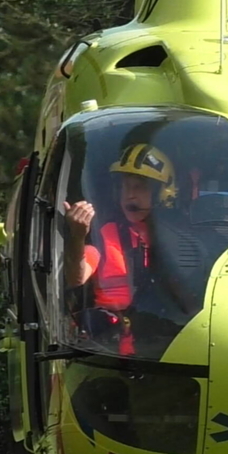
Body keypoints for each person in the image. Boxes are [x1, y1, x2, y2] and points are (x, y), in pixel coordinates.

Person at [64, 143, 176, 354]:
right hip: (109, 351)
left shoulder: (178, 239)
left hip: (164, 349)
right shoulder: (105, 234)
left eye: (140, 187)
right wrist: (78, 237)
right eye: (125, 186)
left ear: (163, 193)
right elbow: (76, 277)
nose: (130, 196)